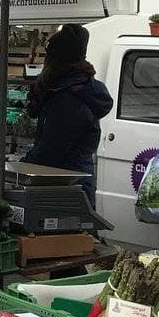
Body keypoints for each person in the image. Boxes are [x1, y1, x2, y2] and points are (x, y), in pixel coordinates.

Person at [22, 24, 112, 204]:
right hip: (70, 184)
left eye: (48, 57)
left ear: (56, 61)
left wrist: (21, 166)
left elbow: (52, 149)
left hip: (66, 189)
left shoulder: (69, 97)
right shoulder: (73, 88)